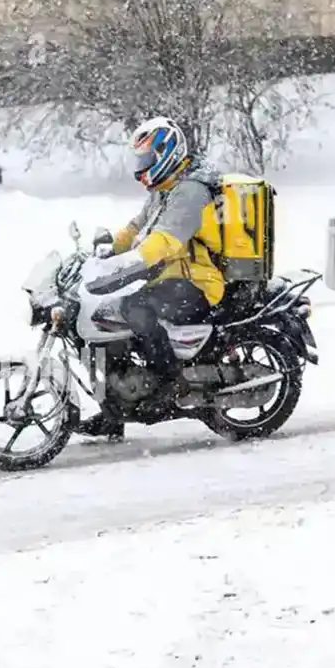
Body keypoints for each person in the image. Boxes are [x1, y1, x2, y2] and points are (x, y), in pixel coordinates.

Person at [76, 116, 226, 440]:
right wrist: (106, 250)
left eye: (146, 161)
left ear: (166, 154)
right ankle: (113, 410)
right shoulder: (165, 189)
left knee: (135, 308)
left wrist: (131, 261)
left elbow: (166, 240)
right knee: (107, 316)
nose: (140, 169)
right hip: (168, 275)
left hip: (198, 281)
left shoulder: (191, 192)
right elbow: (136, 229)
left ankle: (170, 381)